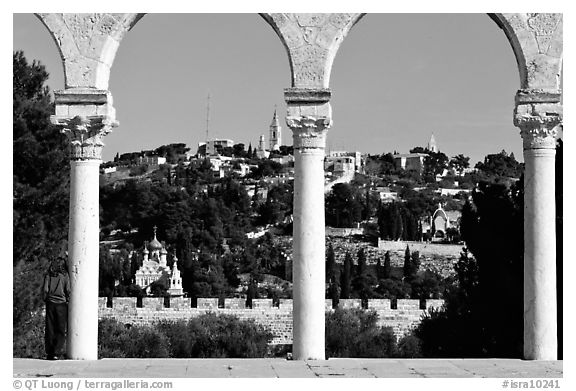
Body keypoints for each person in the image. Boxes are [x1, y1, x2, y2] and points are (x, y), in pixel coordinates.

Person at [42, 256, 71, 360]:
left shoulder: (48, 275)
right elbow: (68, 290)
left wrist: (45, 299)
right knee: (60, 329)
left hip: (50, 304)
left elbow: (45, 289)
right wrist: (67, 299)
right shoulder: (65, 276)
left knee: (50, 328)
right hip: (62, 305)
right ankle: (56, 352)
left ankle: (49, 352)